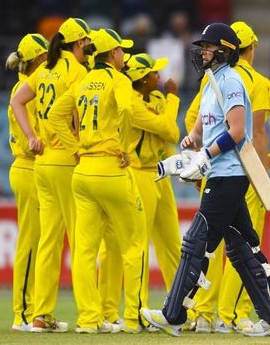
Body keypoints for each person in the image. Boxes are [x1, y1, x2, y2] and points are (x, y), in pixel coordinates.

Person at [141, 22, 270, 337]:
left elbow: (236, 131)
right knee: (242, 247)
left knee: (196, 240)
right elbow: (206, 124)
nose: (202, 52)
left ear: (224, 50)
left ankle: (173, 314)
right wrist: (192, 140)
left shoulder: (232, 81)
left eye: (208, 47)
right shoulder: (212, 81)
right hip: (221, 173)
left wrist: (207, 154)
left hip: (229, 174)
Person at [184, 20, 270, 334]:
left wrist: (200, 155)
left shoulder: (214, 79)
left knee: (211, 243)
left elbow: (195, 119)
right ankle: (235, 314)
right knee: (244, 246)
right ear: (251, 49)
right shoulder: (256, 82)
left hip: (216, 169)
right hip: (247, 172)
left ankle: (203, 314)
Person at [47, 28, 145, 334]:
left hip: (83, 172)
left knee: (85, 252)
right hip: (111, 169)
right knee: (133, 245)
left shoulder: (83, 80)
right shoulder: (119, 80)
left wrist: (74, 147)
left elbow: (54, 117)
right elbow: (128, 110)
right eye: (121, 50)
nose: (123, 54)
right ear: (113, 54)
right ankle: (131, 318)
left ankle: (88, 320)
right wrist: (127, 149)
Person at [10, 17, 91, 332]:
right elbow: (75, 115)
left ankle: (40, 315)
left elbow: (17, 100)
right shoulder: (76, 71)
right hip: (65, 161)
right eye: (85, 43)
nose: (88, 48)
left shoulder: (43, 71)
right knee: (80, 240)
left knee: (48, 242)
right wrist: (78, 146)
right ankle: (89, 316)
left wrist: (31, 134)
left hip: (41, 164)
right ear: (79, 43)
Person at [96, 53, 182, 332]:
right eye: (154, 74)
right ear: (144, 80)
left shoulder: (153, 99)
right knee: (138, 247)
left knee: (172, 244)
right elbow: (169, 129)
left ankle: (178, 307)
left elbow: (172, 135)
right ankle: (138, 310)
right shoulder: (133, 103)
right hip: (137, 174)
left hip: (159, 174)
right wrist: (173, 99)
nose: (160, 77)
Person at [6, 32, 48, 332]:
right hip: (27, 167)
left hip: (35, 169)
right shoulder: (24, 92)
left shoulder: (29, 88)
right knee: (30, 243)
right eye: (45, 56)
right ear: (37, 60)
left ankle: (35, 310)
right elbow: (34, 138)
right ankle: (21, 313)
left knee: (38, 241)